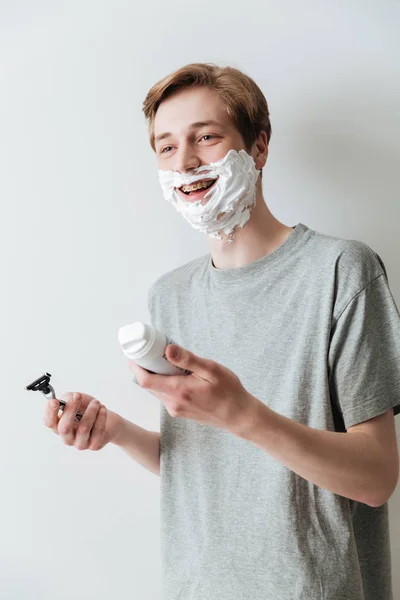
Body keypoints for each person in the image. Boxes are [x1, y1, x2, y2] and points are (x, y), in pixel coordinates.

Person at [43, 63, 400, 599]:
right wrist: (115, 430)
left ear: (258, 147)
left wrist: (245, 414)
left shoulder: (341, 271)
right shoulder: (170, 296)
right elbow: (210, 467)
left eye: (205, 137)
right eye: (165, 148)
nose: (185, 162)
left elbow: (376, 479)